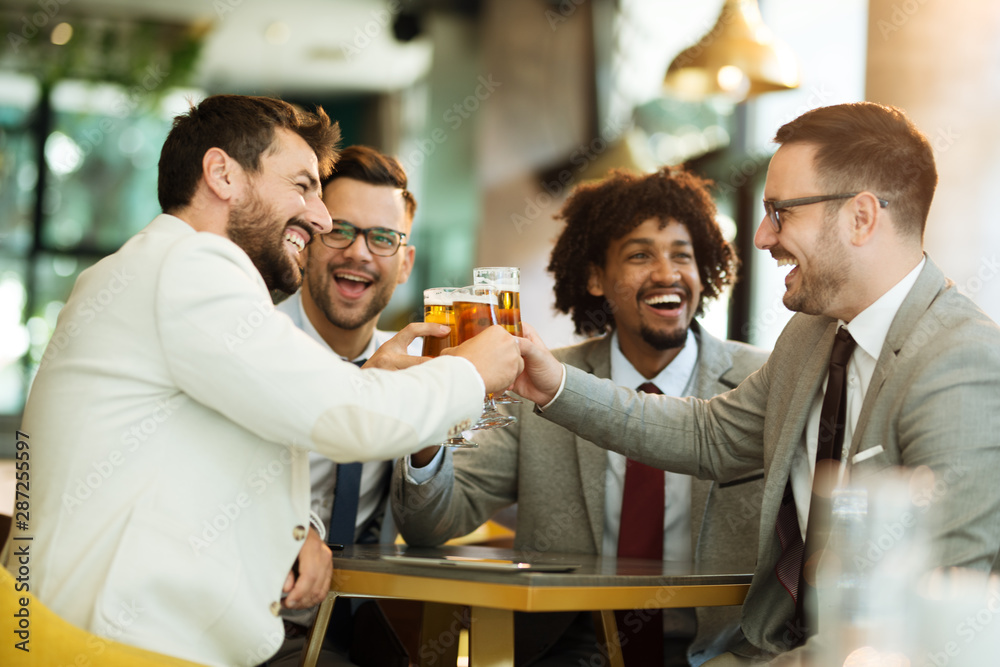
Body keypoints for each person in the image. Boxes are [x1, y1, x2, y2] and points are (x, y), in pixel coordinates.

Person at [0, 95, 523, 667]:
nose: (321, 219)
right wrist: (472, 369)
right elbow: (347, 418)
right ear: (222, 174)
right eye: (302, 186)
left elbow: (235, 445)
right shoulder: (194, 267)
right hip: (119, 645)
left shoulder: (145, 267)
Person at [509, 102, 1000, 665]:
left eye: (781, 211)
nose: (763, 236)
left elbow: (931, 617)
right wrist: (554, 385)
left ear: (861, 218)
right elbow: (709, 436)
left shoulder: (961, 363)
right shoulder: (812, 334)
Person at [393, 166, 770, 666]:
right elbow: (430, 524)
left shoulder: (760, 382)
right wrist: (431, 417)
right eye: (640, 255)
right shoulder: (538, 378)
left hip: (717, 650)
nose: (667, 273)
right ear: (595, 278)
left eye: (684, 255)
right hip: (572, 648)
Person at [271, 145, 422, 666]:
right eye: (340, 229)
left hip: (360, 627)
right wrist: (294, 524)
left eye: (383, 238)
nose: (359, 252)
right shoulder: (254, 336)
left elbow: (432, 520)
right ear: (308, 241)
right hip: (249, 618)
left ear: (404, 264)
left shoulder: (412, 368)